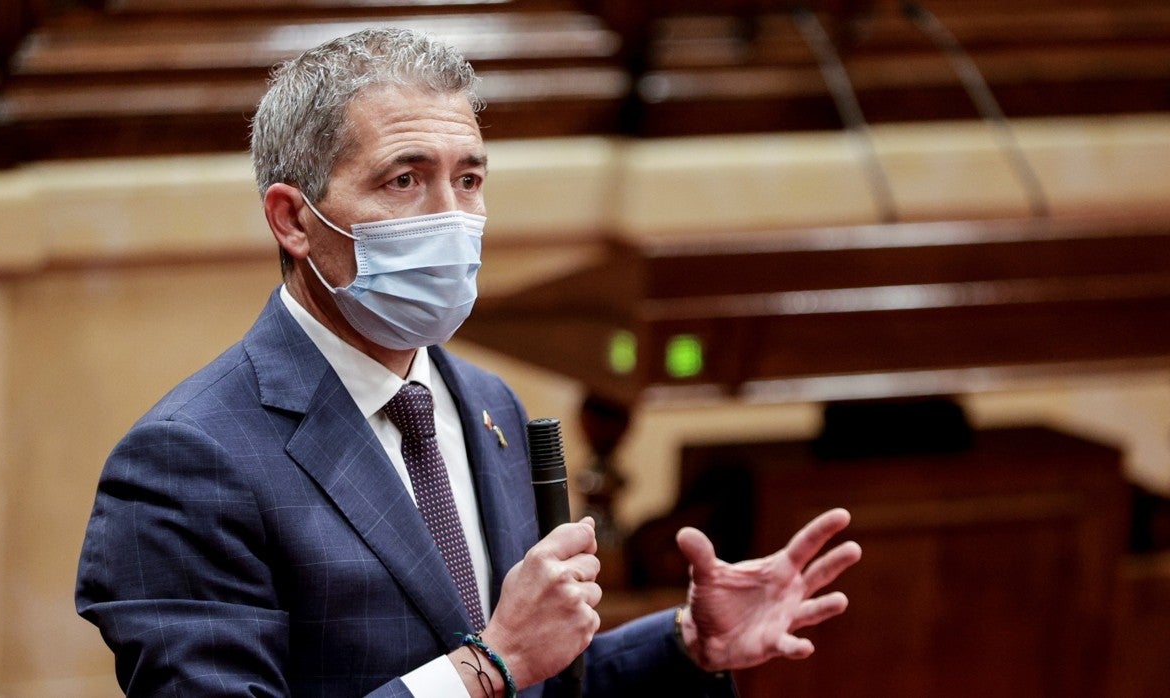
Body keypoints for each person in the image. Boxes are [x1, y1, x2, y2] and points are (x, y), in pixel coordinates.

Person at [75, 27, 862, 697]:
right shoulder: (187, 461)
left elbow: (547, 677)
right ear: (293, 221)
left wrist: (689, 642)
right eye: (406, 179)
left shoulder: (490, 405)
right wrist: (484, 667)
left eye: (470, 179)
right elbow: (505, 660)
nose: (451, 219)